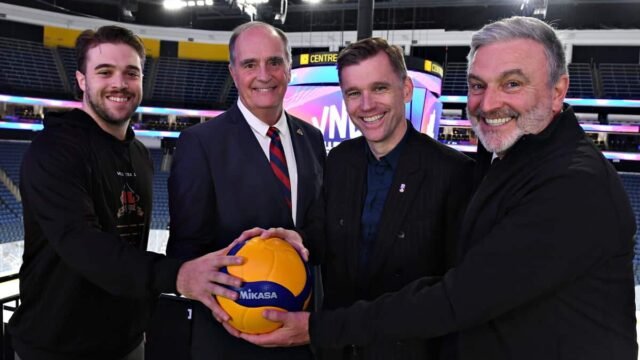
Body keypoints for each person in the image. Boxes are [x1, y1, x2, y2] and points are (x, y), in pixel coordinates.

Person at [236, 16, 639, 360]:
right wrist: (302, 243)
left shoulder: (563, 183)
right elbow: (329, 237)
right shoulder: (343, 160)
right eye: (478, 86)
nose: (488, 102)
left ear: (558, 90)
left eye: (512, 83)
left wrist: (319, 328)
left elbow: (457, 296)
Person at [9, 25, 243, 360]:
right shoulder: (54, 150)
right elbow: (81, 243)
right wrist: (177, 275)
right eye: (105, 72)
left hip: (128, 342)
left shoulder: (139, 155)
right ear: (81, 80)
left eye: (131, 73)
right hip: (57, 347)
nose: (120, 84)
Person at [248, 37, 473, 360]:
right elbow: (322, 236)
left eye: (379, 88)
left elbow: (455, 293)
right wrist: (296, 240)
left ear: (406, 90)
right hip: (337, 350)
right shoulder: (340, 161)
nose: (366, 105)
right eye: (354, 93)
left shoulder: (453, 172)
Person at [165, 21, 325, 360]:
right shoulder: (200, 144)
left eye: (275, 62)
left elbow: (316, 227)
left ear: (289, 68)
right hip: (231, 340)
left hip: (301, 336)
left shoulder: (312, 138)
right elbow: (184, 251)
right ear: (233, 72)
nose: (264, 75)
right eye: (250, 64)